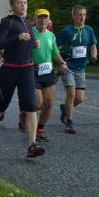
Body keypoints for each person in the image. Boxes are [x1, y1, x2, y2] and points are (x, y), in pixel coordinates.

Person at [0, 0, 45, 158]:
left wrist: (34, 44)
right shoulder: (7, 22)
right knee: (4, 103)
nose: (23, 5)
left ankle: (31, 145)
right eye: (19, 2)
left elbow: (28, 43)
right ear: (12, 6)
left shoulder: (28, 23)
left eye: (25, 2)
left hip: (27, 69)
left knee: (31, 106)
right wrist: (17, 38)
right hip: (9, 69)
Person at [56, 5, 98, 134]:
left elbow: (93, 46)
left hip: (81, 68)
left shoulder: (89, 30)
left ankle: (65, 109)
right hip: (67, 66)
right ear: (73, 16)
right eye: (79, 14)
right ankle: (69, 122)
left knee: (79, 99)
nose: (82, 17)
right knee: (71, 94)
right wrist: (60, 61)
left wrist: (94, 57)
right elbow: (56, 47)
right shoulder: (67, 31)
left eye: (84, 14)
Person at [31, 9, 68, 142]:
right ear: (35, 19)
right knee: (38, 104)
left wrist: (62, 63)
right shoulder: (30, 33)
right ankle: (27, 115)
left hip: (48, 71)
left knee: (49, 103)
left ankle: (40, 129)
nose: (43, 20)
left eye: (45, 18)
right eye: (40, 18)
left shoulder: (51, 35)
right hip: (33, 71)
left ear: (48, 20)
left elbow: (55, 53)